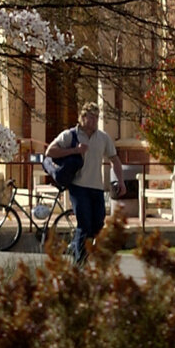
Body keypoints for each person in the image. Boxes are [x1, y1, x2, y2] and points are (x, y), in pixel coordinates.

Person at [46, 103, 118, 262]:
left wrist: (120, 181)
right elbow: (49, 151)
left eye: (96, 118)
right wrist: (75, 150)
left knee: (98, 225)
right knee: (84, 225)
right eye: (91, 117)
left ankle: (75, 247)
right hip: (78, 187)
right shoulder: (70, 135)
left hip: (97, 188)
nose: (94, 121)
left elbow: (114, 159)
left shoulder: (103, 137)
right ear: (83, 117)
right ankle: (80, 264)